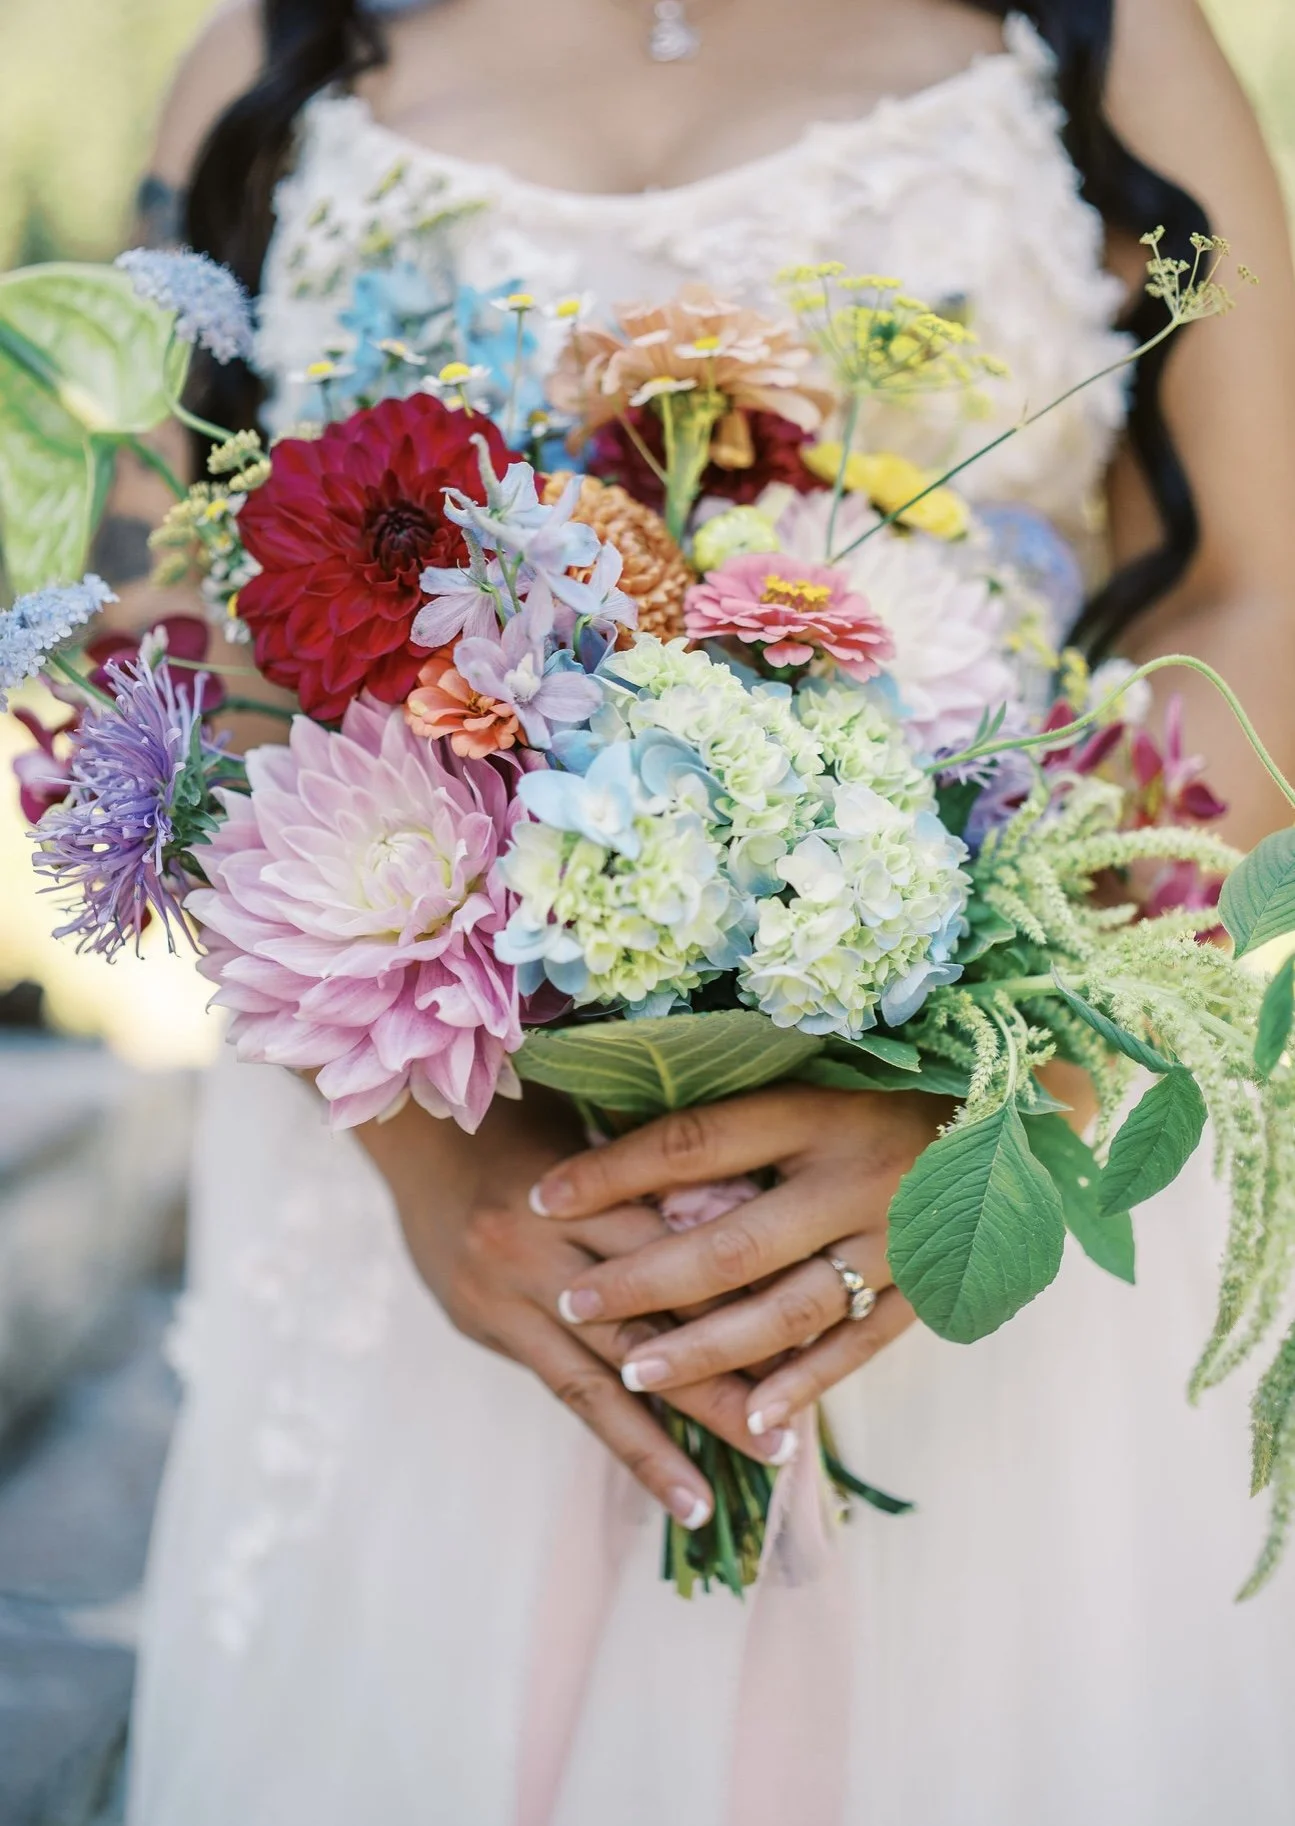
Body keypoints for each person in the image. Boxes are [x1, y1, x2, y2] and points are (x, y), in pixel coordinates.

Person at [121, 1, 1295, 1820]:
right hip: (430, 1195)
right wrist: (438, 1168)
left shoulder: (1112, 41)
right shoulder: (262, 63)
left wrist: (995, 1089)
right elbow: (172, 643)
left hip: (974, 1208)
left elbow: (1251, 598)